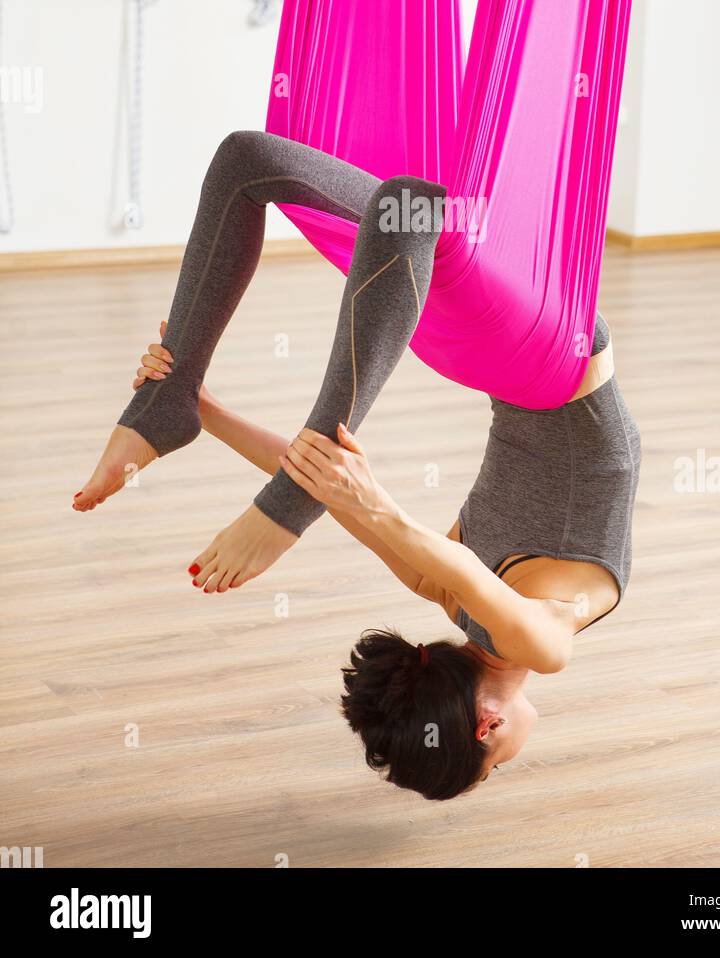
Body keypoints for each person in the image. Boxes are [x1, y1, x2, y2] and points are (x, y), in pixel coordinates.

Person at [73, 129, 640, 799]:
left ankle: (171, 407)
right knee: (400, 201)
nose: (506, 756)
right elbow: (383, 520)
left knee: (255, 163)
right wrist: (366, 507)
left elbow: (325, 481)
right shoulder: (505, 617)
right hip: (528, 341)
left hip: (508, 349)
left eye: (496, 764)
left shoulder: (450, 593)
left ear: (487, 726)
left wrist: (209, 409)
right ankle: (210, 449)